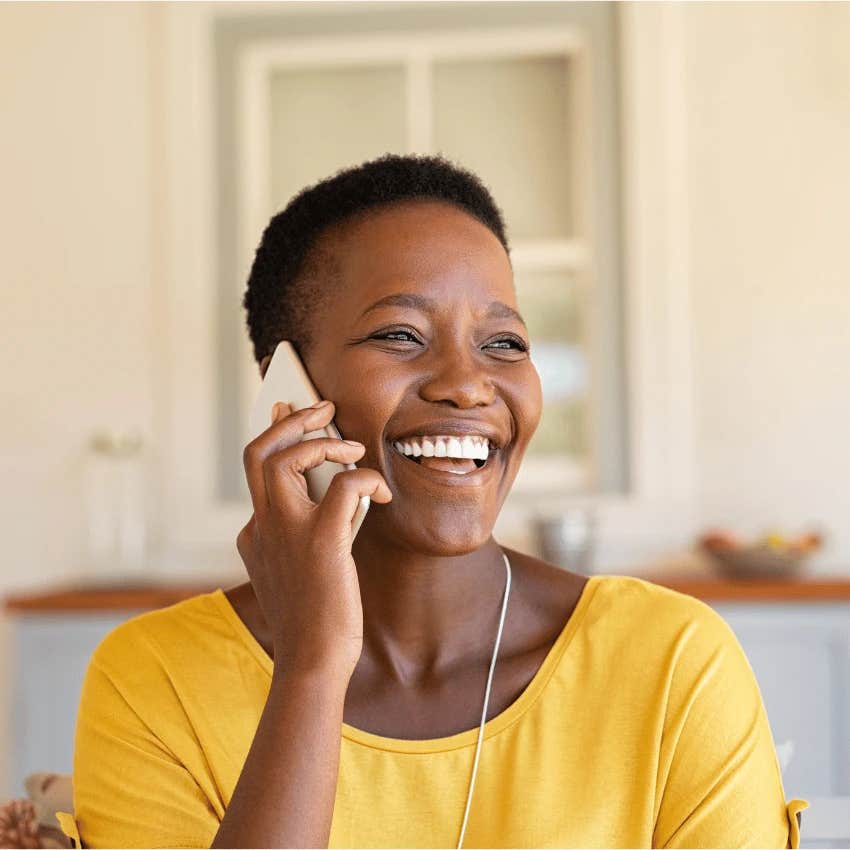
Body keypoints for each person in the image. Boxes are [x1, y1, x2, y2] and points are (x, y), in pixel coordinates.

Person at [58, 154, 806, 849]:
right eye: (400, 335)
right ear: (287, 386)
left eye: (504, 344)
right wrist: (313, 670)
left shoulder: (672, 660)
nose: (469, 384)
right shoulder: (152, 679)